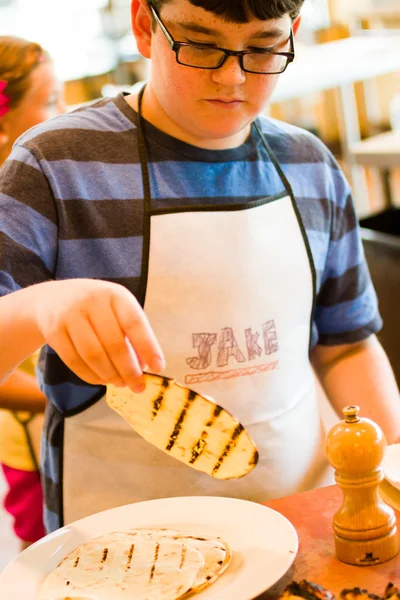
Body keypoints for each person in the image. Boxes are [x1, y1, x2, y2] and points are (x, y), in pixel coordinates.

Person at [0, 0, 399, 535]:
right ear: (145, 25)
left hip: (297, 519)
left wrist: (393, 465)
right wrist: (39, 306)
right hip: (118, 544)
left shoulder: (309, 165)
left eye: (261, 49)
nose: (231, 76)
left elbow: (346, 343)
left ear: (291, 35)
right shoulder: (58, 164)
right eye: (201, 44)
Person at [0, 36, 65, 548]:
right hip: (30, 431)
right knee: (41, 544)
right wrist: (61, 398)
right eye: (50, 101)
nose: (66, 113)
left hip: (62, 418)